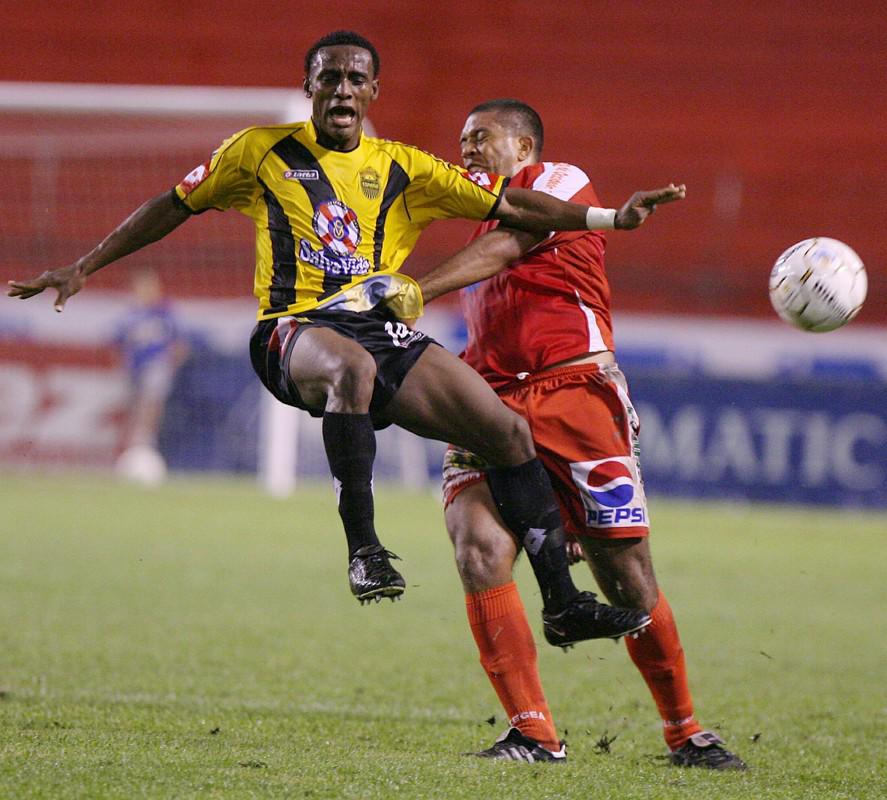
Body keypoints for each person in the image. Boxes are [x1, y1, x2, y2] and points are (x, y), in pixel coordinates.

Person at [7, 31, 679, 646]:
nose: (342, 91)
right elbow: (171, 206)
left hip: (378, 329)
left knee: (504, 432)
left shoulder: (403, 167)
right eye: (329, 78)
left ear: (372, 92)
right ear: (309, 86)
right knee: (351, 371)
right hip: (291, 331)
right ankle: (363, 550)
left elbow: (513, 205)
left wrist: (609, 217)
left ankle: (561, 603)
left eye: (355, 79)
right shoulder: (257, 151)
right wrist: (84, 266)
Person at [413, 99, 746, 769]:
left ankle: (684, 731)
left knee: (624, 579)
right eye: (460, 140)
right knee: (477, 547)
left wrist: (412, 289)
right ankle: (532, 732)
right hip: (489, 401)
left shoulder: (560, 184)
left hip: (574, 393)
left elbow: (508, 245)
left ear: (525, 144)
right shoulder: (482, 209)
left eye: (481, 138)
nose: (467, 150)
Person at [113, 268, 188, 485]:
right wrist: (123, 363)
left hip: (157, 367)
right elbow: (117, 343)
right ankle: (132, 449)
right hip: (134, 370)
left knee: (151, 405)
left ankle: (145, 446)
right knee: (133, 408)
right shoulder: (129, 315)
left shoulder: (165, 313)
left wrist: (169, 363)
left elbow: (180, 344)